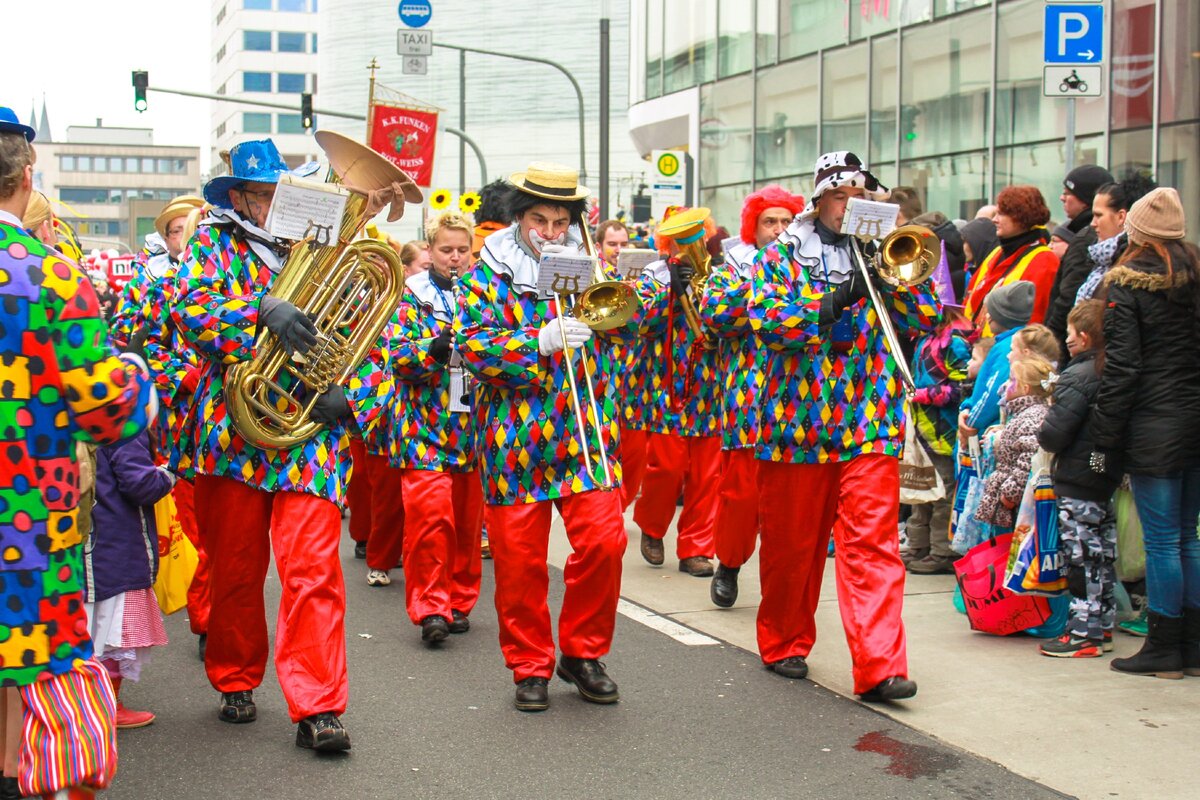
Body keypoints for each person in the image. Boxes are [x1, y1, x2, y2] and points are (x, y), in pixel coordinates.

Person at [171, 138, 398, 750]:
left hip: (308, 437)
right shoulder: (213, 242)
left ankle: (318, 706)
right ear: (240, 196)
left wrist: (356, 399)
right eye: (263, 196)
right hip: (231, 431)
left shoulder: (327, 243)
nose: (274, 206)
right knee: (236, 570)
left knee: (313, 572)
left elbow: (375, 330)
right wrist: (260, 310)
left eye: (282, 194)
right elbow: (187, 310)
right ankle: (237, 678)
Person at [0, 104, 156, 800]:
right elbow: (108, 408)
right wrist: (137, 375)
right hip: (27, 514)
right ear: (26, 176)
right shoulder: (49, 274)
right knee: (28, 661)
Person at [747, 151, 941, 701]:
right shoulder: (784, 252)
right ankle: (784, 640)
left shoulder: (884, 248)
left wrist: (894, 273)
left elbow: (926, 319)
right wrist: (840, 297)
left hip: (867, 417)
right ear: (819, 200)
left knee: (872, 544)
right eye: (839, 196)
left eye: (859, 196)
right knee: (792, 547)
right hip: (796, 423)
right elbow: (770, 322)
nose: (848, 205)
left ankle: (880, 666)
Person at [457, 162, 636, 712]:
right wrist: (538, 341)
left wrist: (621, 313)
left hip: (584, 430)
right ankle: (529, 664)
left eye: (562, 222)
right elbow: (472, 348)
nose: (553, 233)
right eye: (541, 220)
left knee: (606, 542)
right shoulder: (485, 273)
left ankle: (582, 653)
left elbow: (625, 328)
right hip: (514, 437)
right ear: (518, 217)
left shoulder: (587, 262)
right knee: (520, 562)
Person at [1090, 188, 1200, 679]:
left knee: (1161, 542)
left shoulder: (1126, 285)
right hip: (1195, 419)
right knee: (1188, 537)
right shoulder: (1194, 277)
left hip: (1156, 423)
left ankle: (1163, 646)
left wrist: (1104, 439)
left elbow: (1123, 370)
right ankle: (1192, 647)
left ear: (1135, 231)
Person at [704, 185, 804, 606]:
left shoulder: (807, 264)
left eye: (786, 222)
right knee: (740, 497)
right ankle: (728, 563)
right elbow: (716, 314)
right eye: (770, 222)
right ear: (754, 227)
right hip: (747, 401)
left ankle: (781, 587)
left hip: (799, 402)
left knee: (790, 508)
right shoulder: (733, 266)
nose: (779, 230)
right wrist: (763, 286)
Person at [390, 211, 484, 643]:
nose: (456, 257)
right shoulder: (409, 294)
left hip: (472, 425)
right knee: (430, 519)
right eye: (447, 250)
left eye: (463, 250)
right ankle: (431, 607)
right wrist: (432, 350)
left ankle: (459, 600)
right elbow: (393, 354)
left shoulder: (483, 293)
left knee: (467, 522)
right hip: (422, 424)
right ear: (430, 250)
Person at [633, 207, 723, 577]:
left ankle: (696, 549)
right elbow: (639, 325)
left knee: (707, 475)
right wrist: (670, 292)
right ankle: (652, 527)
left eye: (696, 236)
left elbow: (727, 322)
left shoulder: (719, 276)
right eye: (682, 238)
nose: (690, 245)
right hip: (665, 387)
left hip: (710, 387)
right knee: (666, 468)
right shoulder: (652, 278)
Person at [1037, 300, 1122, 657]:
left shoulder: (1077, 376)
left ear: (1083, 337)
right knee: (1101, 554)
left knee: (1080, 555)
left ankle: (1082, 633)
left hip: (1076, 477)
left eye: (1070, 332)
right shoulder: (1112, 373)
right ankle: (1101, 624)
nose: (1066, 338)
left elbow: (1054, 435)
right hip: (1103, 476)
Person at [85, 430, 176, 727]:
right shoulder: (121, 423)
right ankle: (106, 706)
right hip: (117, 547)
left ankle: (84, 706)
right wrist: (169, 474)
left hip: (81, 543)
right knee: (113, 635)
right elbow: (139, 484)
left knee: (87, 632)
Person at [904, 306, 974, 575]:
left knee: (943, 492)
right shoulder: (923, 339)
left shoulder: (954, 342)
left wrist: (923, 394)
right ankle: (918, 544)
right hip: (921, 429)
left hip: (943, 431)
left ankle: (942, 550)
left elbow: (960, 388)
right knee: (919, 488)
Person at [974, 357, 1055, 533]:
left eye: (1012, 380)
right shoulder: (1022, 413)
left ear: (1024, 388)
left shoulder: (1032, 416)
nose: (1006, 385)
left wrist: (1010, 495)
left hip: (1014, 504)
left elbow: (1028, 459)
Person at [962, 186, 1058, 331]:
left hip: (1008, 349)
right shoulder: (996, 253)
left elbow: (1035, 320)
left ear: (1020, 216)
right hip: (976, 346)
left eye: (1001, 214)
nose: (994, 220)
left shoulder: (1044, 261)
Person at [958, 281, 1036, 445]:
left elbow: (992, 394)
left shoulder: (1005, 348)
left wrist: (970, 421)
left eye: (990, 312)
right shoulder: (1010, 343)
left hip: (983, 436)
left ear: (1001, 316)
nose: (987, 316)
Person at [1044, 165, 1114, 349]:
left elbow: (1067, 298)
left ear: (1085, 199)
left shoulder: (1087, 238)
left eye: (1068, 193)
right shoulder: (1085, 235)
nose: (1062, 198)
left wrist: (1049, 346)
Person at [1073, 175, 1157, 304]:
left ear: (1121, 217)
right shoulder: (1103, 258)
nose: (1093, 223)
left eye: (1098, 215)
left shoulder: (1131, 263)